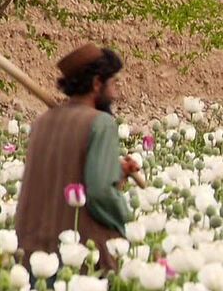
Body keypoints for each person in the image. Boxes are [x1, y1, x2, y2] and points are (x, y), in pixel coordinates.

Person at [14, 44, 143, 277]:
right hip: (82, 260)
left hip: (33, 255)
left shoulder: (43, 122)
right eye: (113, 84)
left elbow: (64, 170)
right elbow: (100, 192)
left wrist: (115, 169)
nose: (116, 94)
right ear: (96, 83)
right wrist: (128, 218)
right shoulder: (101, 123)